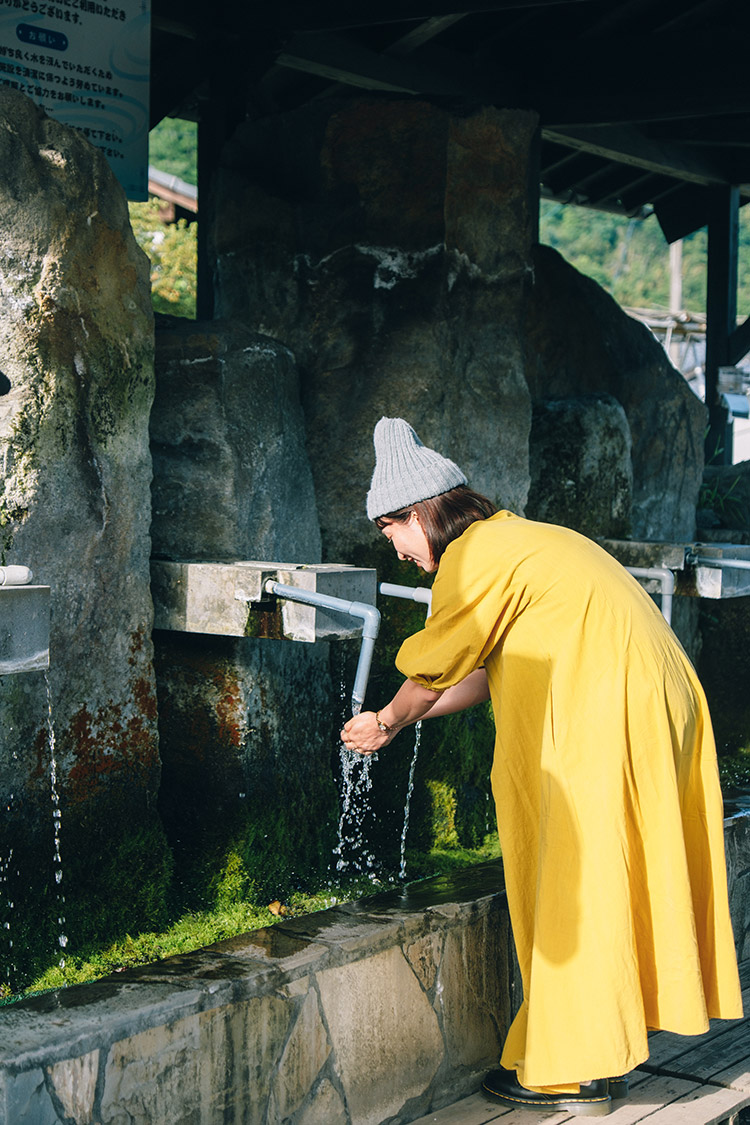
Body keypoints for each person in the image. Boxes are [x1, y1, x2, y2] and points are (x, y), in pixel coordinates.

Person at [341, 416, 743, 1118]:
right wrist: (397, 719)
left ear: (422, 513)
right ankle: (603, 1037)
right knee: (610, 869)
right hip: (656, 691)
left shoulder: (472, 557)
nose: (396, 550)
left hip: (609, 701)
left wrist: (389, 716)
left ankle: (571, 1069)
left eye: (391, 531)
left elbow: (435, 667)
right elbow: (480, 674)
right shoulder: (515, 540)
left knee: (571, 874)